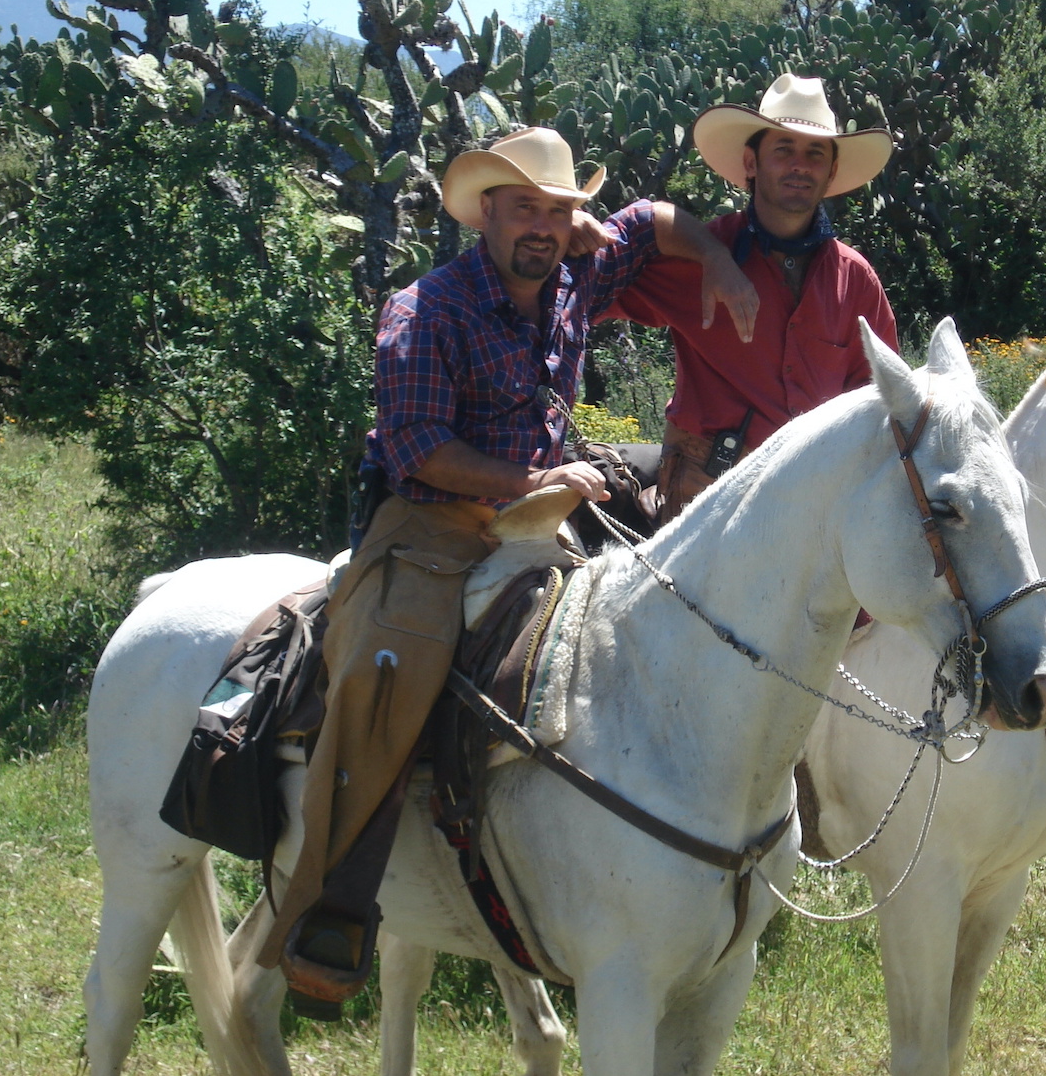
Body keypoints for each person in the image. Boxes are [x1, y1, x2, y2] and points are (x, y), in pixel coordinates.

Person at [260, 126, 757, 1011]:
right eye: (524, 206)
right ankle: (328, 908)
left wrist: (716, 259)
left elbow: (651, 221)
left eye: (559, 209)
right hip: (432, 524)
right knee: (387, 672)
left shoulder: (573, 272)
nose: (542, 225)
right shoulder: (425, 309)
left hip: (548, 511)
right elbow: (419, 445)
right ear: (486, 211)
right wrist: (535, 478)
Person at [601, 73, 901, 520]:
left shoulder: (854, 280)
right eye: (783, 149)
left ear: (831, 170)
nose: (800, 165)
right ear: (751, 161)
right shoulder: (701, 258)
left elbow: (884, 398)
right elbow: (582, 297)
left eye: (815, 153)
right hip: (705, 506)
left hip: (815, 507)